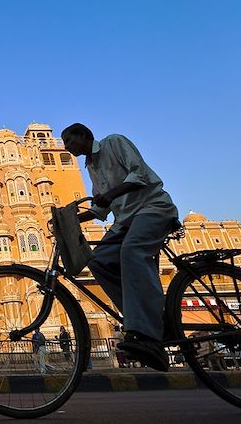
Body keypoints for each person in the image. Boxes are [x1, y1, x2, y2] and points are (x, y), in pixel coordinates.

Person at [62, 123, 179, 372]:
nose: (67, 147)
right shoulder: (92, 167)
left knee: (132, 252)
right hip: (125, 220)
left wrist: (112, 194)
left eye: (69, 140)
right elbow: (101, 208)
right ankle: (143, 322)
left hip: (151, 208)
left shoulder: (114, 142)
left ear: (84, 136)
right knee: (97, 260)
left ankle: (147, 327)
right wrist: (73, 219)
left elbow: (139, 175)